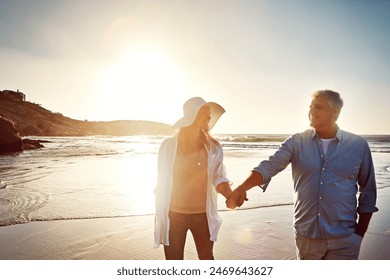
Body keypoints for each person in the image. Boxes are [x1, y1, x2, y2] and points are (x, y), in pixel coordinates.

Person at [227, 89, 378, 260]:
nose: (311, 111)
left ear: (335, 112)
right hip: (307, 238)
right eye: (311, 107)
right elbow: (270, 166)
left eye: (318, 107)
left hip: (344, 239)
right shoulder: (297, 141)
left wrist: (359, 234)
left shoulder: (358, 146)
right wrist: (241, 188)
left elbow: (368, 191)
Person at [154, 97, 233, 260]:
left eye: (209, 113)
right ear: (193, 115)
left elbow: (219, 177)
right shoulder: (167, 147)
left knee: (206, 259)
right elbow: (162, 182)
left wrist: (230, 195)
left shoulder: (213, 147)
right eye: (205, 112)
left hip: (203, 216)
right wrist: (161, 219)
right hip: (174, 215)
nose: (209, 117)